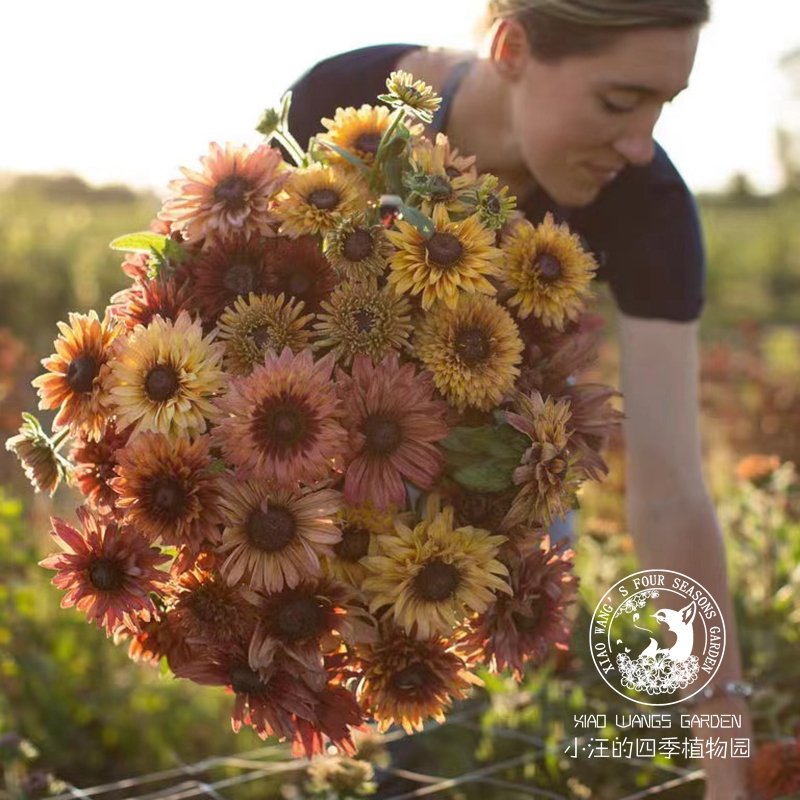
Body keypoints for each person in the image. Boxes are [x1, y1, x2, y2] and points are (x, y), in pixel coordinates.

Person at [284, 2, 754, 798]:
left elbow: (672, 495)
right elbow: (251, 321)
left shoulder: (649, 205)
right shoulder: (346, 106)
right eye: (617, 101)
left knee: (477, 682)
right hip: (323, 443)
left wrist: (727, 763)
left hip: (508, 450)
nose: (640, 142)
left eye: (662, 107)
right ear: (511, 46)